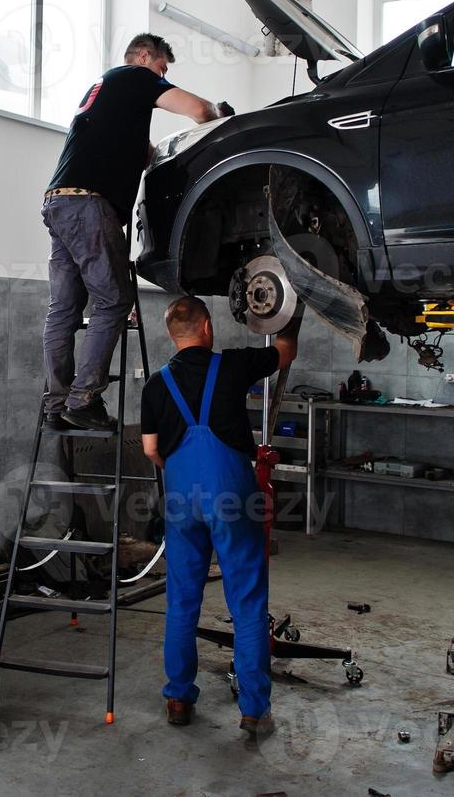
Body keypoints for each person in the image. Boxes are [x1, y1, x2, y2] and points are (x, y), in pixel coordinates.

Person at [42, 33, 232, 432]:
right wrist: (220, 115)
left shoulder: (105, 90)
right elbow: (197, 108)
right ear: (144, 56)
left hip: (60, 202)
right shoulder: (135, 76)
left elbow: (147, 154)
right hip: (90, 206)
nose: (162, 76)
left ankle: (56, 405)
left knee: (63, 310)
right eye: (162, 68)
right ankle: (83, 399)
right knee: (113, 301)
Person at [139, 296, 298, 738]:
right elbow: (285, 351)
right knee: (246, 602)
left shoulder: (156, 385)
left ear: (173, 333)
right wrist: (289, 316)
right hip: (231, 493)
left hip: (180, 498)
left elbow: (151, 450)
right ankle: (252, 710)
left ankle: (177, 696)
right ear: (207, 328)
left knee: (181, 601)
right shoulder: (233, 366)